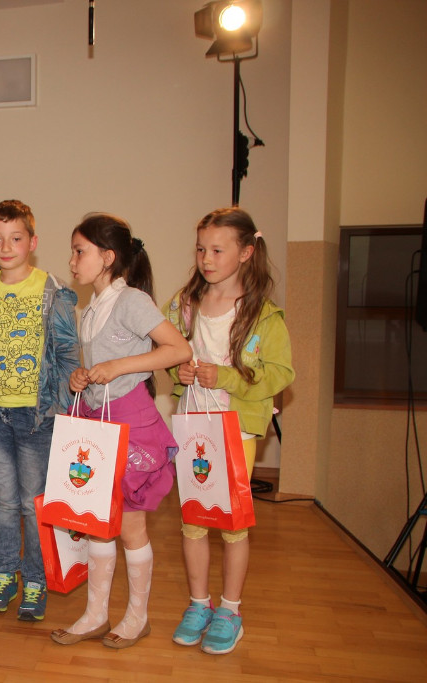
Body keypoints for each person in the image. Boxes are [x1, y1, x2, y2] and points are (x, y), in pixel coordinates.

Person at [49, 213, 191, 649]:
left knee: (130, 527)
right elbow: (97, 368)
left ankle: (137, 617)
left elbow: (178, 349)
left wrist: (118, 367)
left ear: (108, 257)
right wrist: (83, 376)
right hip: (99, 424)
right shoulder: (89, 306)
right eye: (73, 252)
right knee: (98, 523)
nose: (72, 260)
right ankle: (95, 614)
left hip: (131, 424)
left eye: (80, 251)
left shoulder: (131, 301)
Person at [163, 207, 294, 655]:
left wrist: (228, 378)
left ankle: (230, 611)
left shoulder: (263, 315)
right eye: (201, 249)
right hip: (194, 428)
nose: (206, 258)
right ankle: (199, 604)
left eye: (218, 250)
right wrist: (177, 371)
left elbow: (281, 373)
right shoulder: (184, 304)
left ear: (246, 252)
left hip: (236, 431)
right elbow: (166, 349)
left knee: (232, 525)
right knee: (193, 520)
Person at [0, 200, 80, 622]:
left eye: (15, 238)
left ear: (32, 242)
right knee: (2, 499)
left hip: (38, 417)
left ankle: (35, 578)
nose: (6, 246)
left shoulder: (52, 291)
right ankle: (5, 573)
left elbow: (68, 356)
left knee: (33, 503)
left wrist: (63, 414)